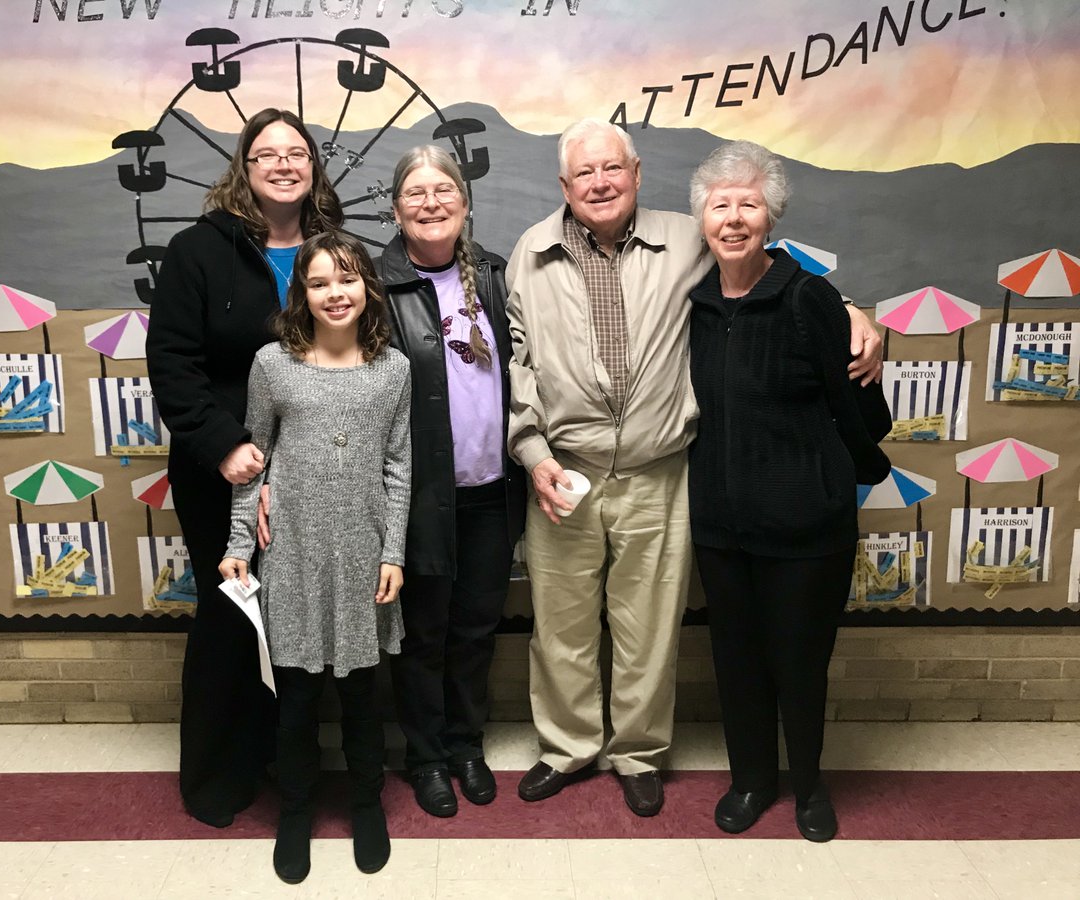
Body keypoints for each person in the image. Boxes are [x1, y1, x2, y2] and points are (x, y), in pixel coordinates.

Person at [504, 118, 883, 818]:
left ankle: (638, 753)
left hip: (659, 470)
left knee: (648, 627)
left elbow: (764, 263)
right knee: (560, 626)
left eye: (612, 168)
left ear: (637, 173)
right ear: (564, 184)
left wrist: (850, 308)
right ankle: (567, 747)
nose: (600, 182)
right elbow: (517, 364)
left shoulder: (689, 238)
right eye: (585, 172)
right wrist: (534, 456)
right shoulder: (530, 252)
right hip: (564, 472)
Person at [686, 140, 891, 842]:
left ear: (771, 217)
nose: (734, 218)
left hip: (807, 528)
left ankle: (808, 786)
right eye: (720, 205)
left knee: (799, 665)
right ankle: (751, 781)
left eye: (749, 204)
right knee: (737, 663)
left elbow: (866, 413)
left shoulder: (809, 298)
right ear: (703, 219)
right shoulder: (695, 304)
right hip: (720, 527)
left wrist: (831, 480)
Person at [145, 108, 343, 828]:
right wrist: (225, 444)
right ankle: (216, 776)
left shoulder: (332, 250)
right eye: (268, 154)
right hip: (225, 469)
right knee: (232, 616)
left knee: (297, 618)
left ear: (313, 166)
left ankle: (285, 759)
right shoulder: (197, 250)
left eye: (297, 153)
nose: (284, 164)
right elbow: (172, 362)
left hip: (313, 469)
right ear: (245, 167)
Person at [219, 231, 411, 882]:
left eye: (348, 278)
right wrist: (238, 545)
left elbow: (399, 468)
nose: (335, 293)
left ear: (367, 288)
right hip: (292, 558)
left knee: (362, 698)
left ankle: (367, 804)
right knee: (297, 702)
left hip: (363, 557)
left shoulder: (393, 369)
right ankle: (295, 811)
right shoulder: (273, 365)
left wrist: (393, 552)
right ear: (300, 291)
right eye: (320, 281)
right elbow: (253, 462)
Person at [376, 146, 526, 817]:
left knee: (475, 629)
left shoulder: (494, 276)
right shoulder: (375, 286)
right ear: (395, 209)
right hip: (418, 498)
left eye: (444, 191)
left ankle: (467, 746)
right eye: (416, 192)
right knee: (422, 634)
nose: (431, 203)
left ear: (465, 204)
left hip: (493, 492)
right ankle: (427, 756)